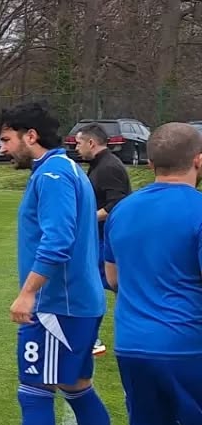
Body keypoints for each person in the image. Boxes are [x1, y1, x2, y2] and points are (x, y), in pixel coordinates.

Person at [74, 122, 202, 425]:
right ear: (199, 161)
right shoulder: (198, 210)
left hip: (133, 343)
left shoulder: (124, 210)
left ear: (149, 163)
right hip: (188, 345)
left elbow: (112, 277)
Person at [0, 101, 114, 425]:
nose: (2, 149)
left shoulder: (53, 175)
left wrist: (29, 293)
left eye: (6, 139)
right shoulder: (66, 169)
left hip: (57, 307)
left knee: (34, 391)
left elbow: (58, 239)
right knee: (78, 388)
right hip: (78, 303)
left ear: (30, 136)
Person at [74, 122, 132, 357]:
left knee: (92, 286)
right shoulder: (100, 165)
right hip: (100, 239)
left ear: (91, 143)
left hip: (107, 240)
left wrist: (86, 219)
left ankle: (94, 339)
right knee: (105, 287)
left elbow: (116, 204)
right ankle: (100, 337)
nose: (76, 147)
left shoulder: (108, 167)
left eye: (79, 143)